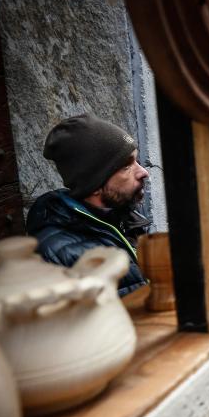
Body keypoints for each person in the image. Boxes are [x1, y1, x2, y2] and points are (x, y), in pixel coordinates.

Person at [27, 114, 151, 297]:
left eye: (136, 160)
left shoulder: (123, 218)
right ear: (94, 185)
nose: (143, 172)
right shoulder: (56, 257)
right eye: (126, 166)